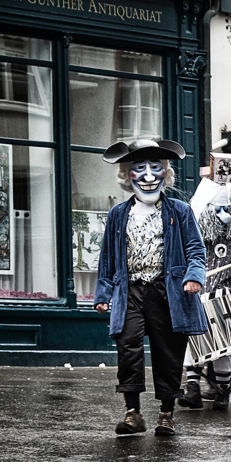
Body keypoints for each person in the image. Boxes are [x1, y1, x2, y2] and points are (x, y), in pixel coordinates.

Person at [94, 138, 206, 437]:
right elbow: (107, 258)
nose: (147, 175)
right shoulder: (118, 214)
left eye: (155, 168)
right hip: (129, 291)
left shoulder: (180, 210)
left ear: (165, 173)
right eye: (139, 168)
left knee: (167, 351)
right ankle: (133, 413)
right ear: (127, 174)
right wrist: (103, 294)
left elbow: (196, 249)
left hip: (166, 291)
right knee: (127, 346)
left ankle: (167, 414)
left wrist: (193, 276)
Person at [177, 175, 231, 410]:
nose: (222, 215)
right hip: (198, 302)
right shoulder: (194, 239)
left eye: (226, 210)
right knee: (194, 343)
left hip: (225, 304)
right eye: (217, 209)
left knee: (225, 348)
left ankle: (223, 392)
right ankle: (192, 389)